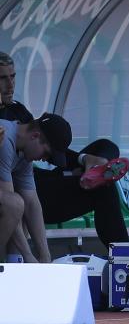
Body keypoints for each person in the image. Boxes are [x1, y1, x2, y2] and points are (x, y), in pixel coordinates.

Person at [0, 53, 129, 256]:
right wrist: (30, 257)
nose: (10, 85)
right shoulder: (7, 133)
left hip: (31, 183)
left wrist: (81, 160)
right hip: (14, 191)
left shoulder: (18, 113)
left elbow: (46, 146)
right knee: (17, 200)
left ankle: (91, 167)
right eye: (3, 78)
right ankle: (125, 258)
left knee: (106, 148)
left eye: (13, 76)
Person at [0, 113, 72, 263]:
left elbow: (32, 204)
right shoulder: (4, 139)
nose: (45, 159)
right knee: (15, 205)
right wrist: (29, 255)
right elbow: (10, 207)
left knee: (23, 208)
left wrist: (45, 256)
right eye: (46, 153)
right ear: (35, 136)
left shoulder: (23, 154)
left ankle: (15, 266)